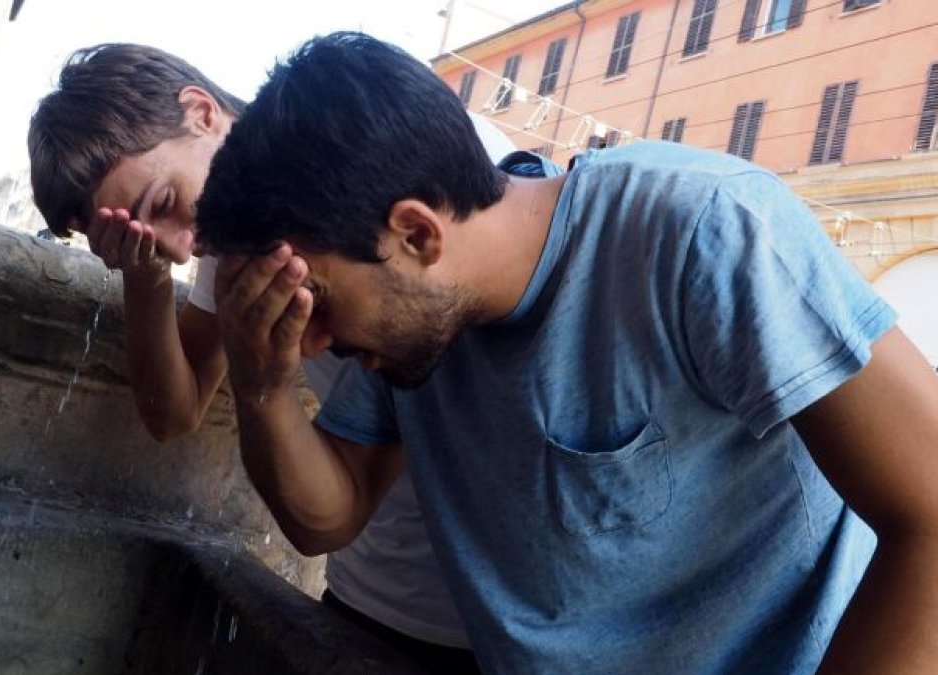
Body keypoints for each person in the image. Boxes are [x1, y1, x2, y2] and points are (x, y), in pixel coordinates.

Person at [194, 32, 938, 675]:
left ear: (417, 233)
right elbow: (328, 515)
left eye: (318, 303)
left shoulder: (704, 229)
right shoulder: (418, 327)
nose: (314, 341)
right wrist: (262, 383)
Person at [26, 42, 538, 673]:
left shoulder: (384, 152)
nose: (184, 250)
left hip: (501, 617)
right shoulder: (221, 240)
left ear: (201, 112)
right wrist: (146, 273)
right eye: (141, 232)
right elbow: (174, 413)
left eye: (161, 204)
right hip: (369, 591)